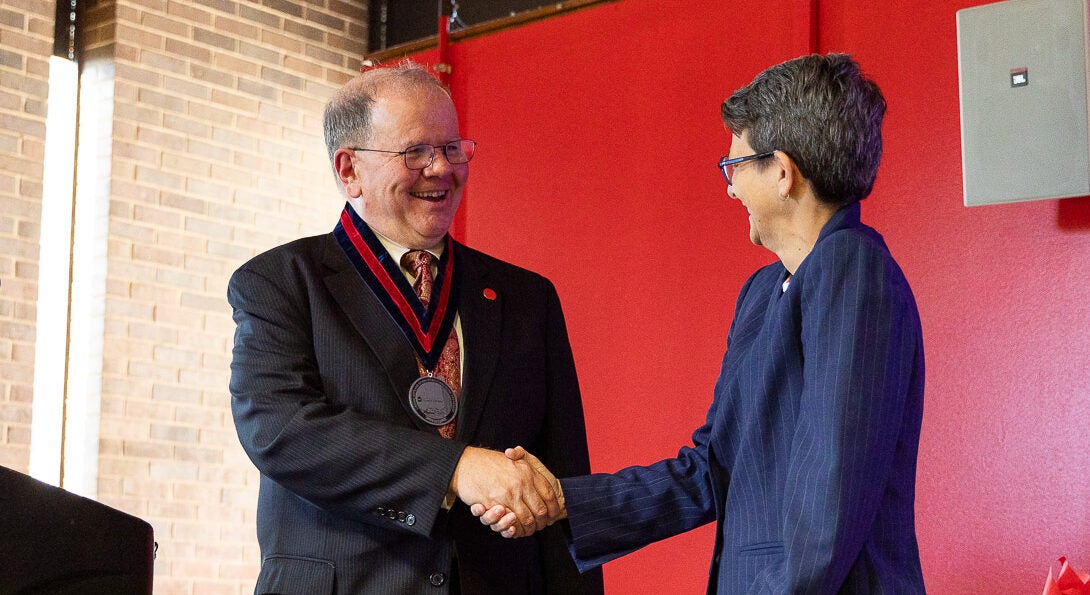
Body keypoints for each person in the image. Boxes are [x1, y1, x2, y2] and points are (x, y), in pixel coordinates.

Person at [476, 53, 927, 593]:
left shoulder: (851, 267)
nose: (731, 187)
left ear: (782, 172)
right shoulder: (763, 292)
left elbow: (830, 495)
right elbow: (710, 470)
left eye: (734, 166)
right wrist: (561, 502)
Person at [228, 61, 603, 594]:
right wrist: (456, 469)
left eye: (453, 149)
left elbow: (562, 487)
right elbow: (281, 431)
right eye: (416, 152)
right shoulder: (280, 284)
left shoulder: (526, 300)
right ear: (349, 169)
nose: (441, 168)